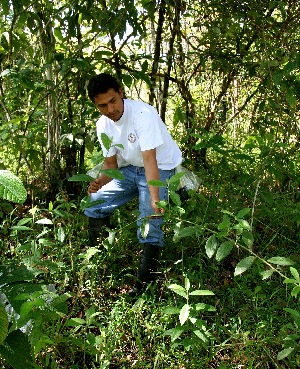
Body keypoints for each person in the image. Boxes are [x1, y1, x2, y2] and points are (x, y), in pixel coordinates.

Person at [84, 73, 182, 295]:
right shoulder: (103, 125)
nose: (110, 110)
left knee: (150, 220)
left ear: (121, 93)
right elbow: (110, 164)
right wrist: (98, 183)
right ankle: (97, 262)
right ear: (95, 105)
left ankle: (144, 287)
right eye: (102, 106)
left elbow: (150, 160)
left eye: (113, 101)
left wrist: (155, 198)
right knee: (94, 203)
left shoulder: (142, 114)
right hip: (130, 168)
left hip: (161, 166)